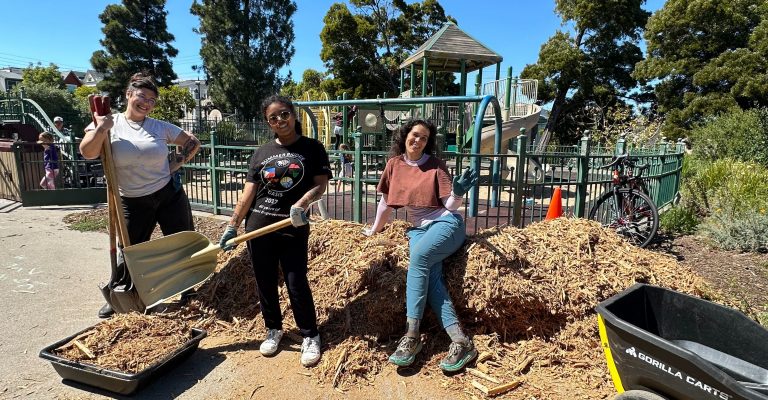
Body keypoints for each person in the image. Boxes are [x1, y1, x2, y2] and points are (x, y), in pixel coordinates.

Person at [218, 95, 331, 367]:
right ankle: (274, 329)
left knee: (296, 281)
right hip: (258, 226)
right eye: (273, 118)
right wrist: (233, 224)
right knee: (264, 280)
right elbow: (249, 194)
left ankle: (310, 334)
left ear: (293, 115)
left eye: (284, 114)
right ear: (268, 122)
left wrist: (302, 203)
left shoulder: (312, 148)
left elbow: (320, 185)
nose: (280, 120)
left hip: (292, 225)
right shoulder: (261, 153)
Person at [79, 72, 201, 318]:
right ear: (128, 94)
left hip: (168, 195)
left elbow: (192, 142)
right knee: (130, 249)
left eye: (152, 100)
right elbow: (88, 152)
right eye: (142, 96)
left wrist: (175, 164)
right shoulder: (108, 122)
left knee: (181, 242)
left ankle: (188, 288)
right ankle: (121, 292)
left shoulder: (158, 126)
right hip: (131, 198)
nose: (146, 103)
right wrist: (101, 128)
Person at [363, 119, 479, 372]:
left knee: (418, 261)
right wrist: (373, 230)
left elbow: (449, 206)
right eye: (415, 135)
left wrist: (458, 192)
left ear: (428, 143)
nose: (418, 141)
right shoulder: (394, 165)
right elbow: (385, 203)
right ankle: (461, 341)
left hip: (446, 225)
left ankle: (411, 336)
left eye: (424, 138)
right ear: (405, 135)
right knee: (432, 278)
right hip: (418, 230)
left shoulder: (436, 166)